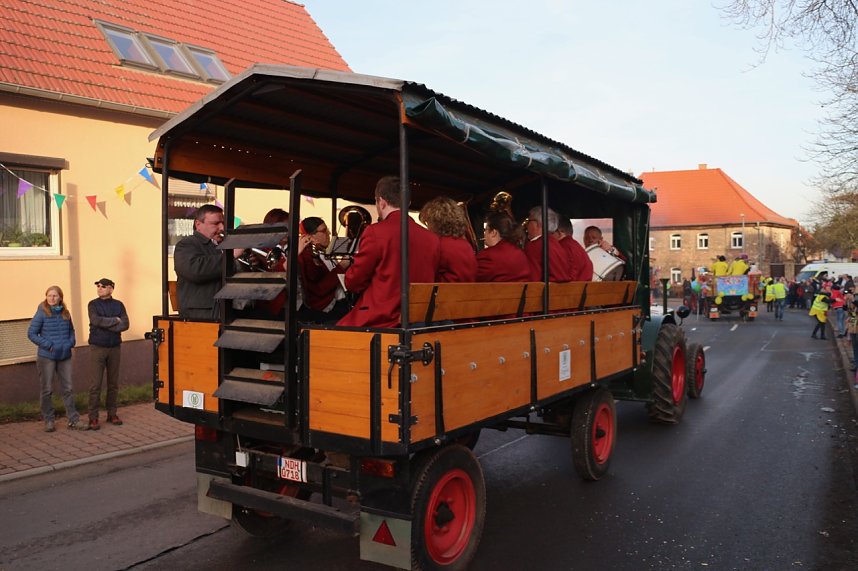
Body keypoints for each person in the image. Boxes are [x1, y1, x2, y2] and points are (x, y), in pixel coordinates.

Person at [338, 176, 440, 328]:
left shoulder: (375, 232)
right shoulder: (432, 237)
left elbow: (354, 282)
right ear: (408, 202)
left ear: (381, 201)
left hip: (382, 318)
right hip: (417, 319)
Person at [27, 286, 86, 432]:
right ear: (46, 297)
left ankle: (73, 420)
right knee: (47, 389)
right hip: (47, 357)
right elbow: (31, 333)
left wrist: (70, 343)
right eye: (49, 296)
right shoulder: (41, 313)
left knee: (68, 388)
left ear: (60, 297)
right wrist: (48, 345)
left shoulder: (66, 313)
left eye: (55, 296)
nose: (52, 298)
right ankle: (49, 420)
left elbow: (71, 331)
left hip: (65, 356)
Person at [174, 204, 240, 319]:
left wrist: (249, 264)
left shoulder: (223, 245)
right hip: (202, 314)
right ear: (198, 224)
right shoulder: (186, 244)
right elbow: (195, 271)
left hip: (230, 308)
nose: (222, 228)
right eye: (215, 224)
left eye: (223, 223)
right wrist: (230, 256)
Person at [87, 278, 129, 430]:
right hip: (97, 347)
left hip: (114, 348)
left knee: (113, 384)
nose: (99, 288)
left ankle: (112, 413)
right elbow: (95, 320)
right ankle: (93, 417)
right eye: (98, 286)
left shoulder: (119, 305)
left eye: (103, 286)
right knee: (95, 385)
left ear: (111, 289)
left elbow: (125, 324)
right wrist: (115, 321)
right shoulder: (93, 304)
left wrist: (107, 324)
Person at [297, 216, 350, 322]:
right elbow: (319, 288)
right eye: (324, 231)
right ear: (311, 236)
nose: (329, 233)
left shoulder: (325, 251)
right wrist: (341, 266)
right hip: (326, 308)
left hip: (340, 301)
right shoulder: (307, 256)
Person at [419, 197, 477, 282]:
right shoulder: (466, 245)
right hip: (468, 293)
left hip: (445, 293)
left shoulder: (437, 245)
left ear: (434, 221)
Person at [476, 211, 531, 282]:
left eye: (485, 230)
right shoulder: (521, 253)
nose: (484, 234)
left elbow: (470, 279)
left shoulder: (487, 256)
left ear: (493, 233)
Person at [524, 207, 573, 282]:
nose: (526, 226)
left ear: (536, 224)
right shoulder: (557, 244)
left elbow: (532, 279)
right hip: (563, 291)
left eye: (528, 221)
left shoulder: (534, 246)